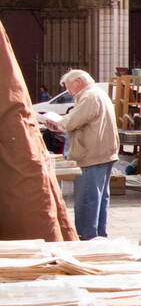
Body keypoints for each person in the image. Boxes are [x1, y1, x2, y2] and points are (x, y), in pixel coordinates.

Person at [41, 70, 117, 240]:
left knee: (88, 198)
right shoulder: (97, 94)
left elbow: (74, 120)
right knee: (99, 197)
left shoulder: (89, 96)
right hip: (103, 152)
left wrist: (57, 122)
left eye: (68, 87)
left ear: (78, 82)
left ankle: (86, 236)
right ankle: (98, 235)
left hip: (92, 154)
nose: (68, 92)